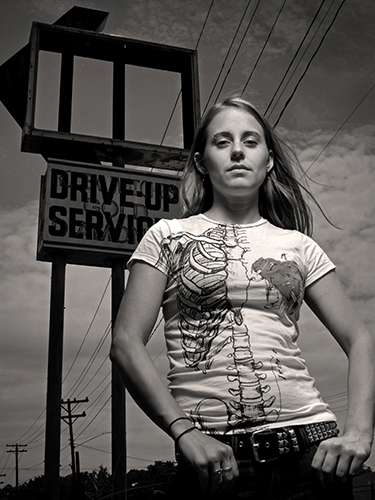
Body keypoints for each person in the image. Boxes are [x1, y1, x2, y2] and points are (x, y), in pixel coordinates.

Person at [110, 96, 375, 499]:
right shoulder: (167, 236)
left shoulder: (298, 246)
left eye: (250, 141)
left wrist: (359, 430)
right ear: (201, 161)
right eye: (222, 141)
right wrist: (183, 432)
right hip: (216, 463)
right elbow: (125, 343)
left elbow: (360, 338)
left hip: (311, 451)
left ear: (268, 160)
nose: (237, 150)